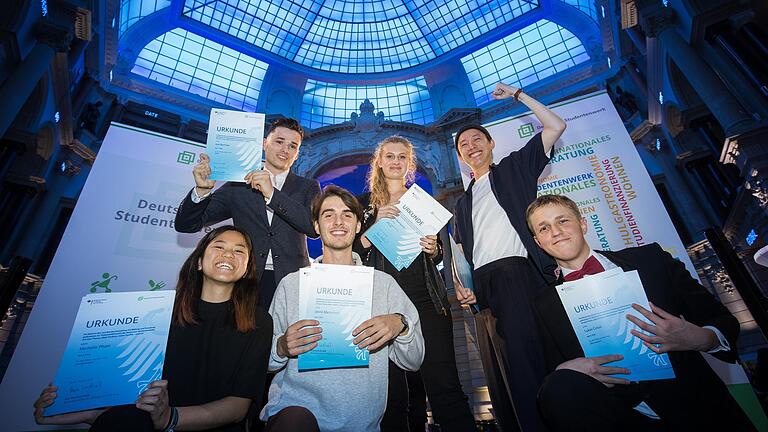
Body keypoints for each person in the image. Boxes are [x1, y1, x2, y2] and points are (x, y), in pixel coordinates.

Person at [525, 194, 754, 431]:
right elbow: (553, 372)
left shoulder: (650, 260)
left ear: (583, 224)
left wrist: (700, 337)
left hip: (698, 407)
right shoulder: (544, 305)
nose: (555, 231)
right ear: (539, 242)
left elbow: (723, 320)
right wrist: (567, 371)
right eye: (544, 227)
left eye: (563, 220)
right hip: (618, 417)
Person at [33, 226, 273, 431]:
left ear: (246, 268)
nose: (228, 254)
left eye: (239, 250)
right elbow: (128, 393)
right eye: (219, 246)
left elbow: (237, 407)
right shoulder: (155, 312)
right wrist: (76, 409)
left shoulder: (259, 321)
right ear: (199, 262)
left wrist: (170, 418)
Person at [261, 185, 425, 432]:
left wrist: (400, 325)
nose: (338, 221)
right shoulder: (291, 285)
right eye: (328, 215)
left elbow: (414, 361)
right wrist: (282, 346)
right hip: (297, 417)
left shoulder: (383, 285)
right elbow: (264, 362)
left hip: (362, 425)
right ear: (316, 226)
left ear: (359, 226)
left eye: (347, 214)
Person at [452, 82, 566, 431]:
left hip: (517, 275)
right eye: (463, 144)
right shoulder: (461, 203)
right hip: (482, 292)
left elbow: (555, 126)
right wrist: (461, 286)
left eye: (476, 140)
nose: (471, 147)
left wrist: (518, 95)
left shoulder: (515, 168)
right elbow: (461, 255)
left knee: (527, 364)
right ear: (459, 155)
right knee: (500, 375)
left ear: (490, 144)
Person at [353, 136, 475, 431]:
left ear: (410, 164)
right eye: (390, 156)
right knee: (393, 396)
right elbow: (353, 252)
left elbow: (441, 258)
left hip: (427, 300)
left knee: (445, 385)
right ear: (379, 161)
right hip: (381, 303)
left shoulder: (423, 202)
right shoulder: (362, 205)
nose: (395, 162)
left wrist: (435, 251)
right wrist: (374, 225)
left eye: (402, 157)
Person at [175, 117, 321, 308]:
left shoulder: (308, 187)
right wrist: (201, 190)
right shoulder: (239, 184)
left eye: (293, 146)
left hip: (292, 281)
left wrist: (272, 194)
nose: (285, 150)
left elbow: (313, 228)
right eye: (279, 142)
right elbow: (187, 224)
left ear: (297, 153)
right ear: (264, 143)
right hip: (245, 278)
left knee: (285, 338)